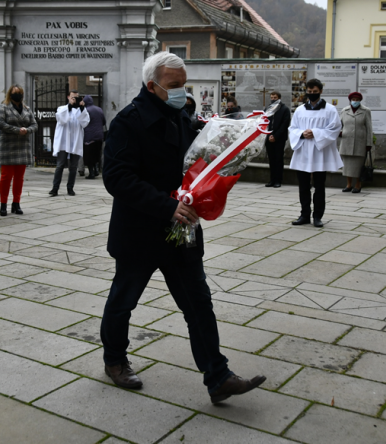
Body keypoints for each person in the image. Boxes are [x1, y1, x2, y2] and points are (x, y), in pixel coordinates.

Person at [101, 51, 266, 404]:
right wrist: (166, 206)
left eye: (183, 84)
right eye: (174, 86)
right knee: (123, 301)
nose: (181, 91)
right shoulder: (128, 122)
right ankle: (114, 360)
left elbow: (198, 158)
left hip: (182, 232)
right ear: (152, 86)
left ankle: (218, 376)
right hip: (141, 231)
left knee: (198, 304)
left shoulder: (181, 115)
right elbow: (116, 178)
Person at [288, 78, 343, 228]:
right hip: (304, 151)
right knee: (303, 186)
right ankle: (304, 214)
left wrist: (315, 133)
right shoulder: (300, 110)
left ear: (320, 91)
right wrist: (301, 133)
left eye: (315, 92)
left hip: (320, 152)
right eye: (309, 92)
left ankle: (317, 216)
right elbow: (292, 128)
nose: (311, 94)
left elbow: (335, 129)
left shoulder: (330, 110)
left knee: (319, 185)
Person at [0, 85, 37, 215]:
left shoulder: (27, 108)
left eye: (19, 93)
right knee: (6, 177)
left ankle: (16, 203)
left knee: (19, 178)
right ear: (10, 94)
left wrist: (27, 130)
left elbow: (34, 124)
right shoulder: (3, 107)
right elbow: (0, 124)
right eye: (15, 93)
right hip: (8, 146)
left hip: (22, 146)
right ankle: (3, 204)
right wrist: (17, 130)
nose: (18, 95)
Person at [50, 90, 89, 196]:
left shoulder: (82, 110)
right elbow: (61, 119)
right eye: (73, 97)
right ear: (68, 97)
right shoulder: (62, 108)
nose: (75, 99)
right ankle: (55, 188)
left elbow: (85, 123)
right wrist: (69, 106)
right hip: (63, 142)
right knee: (60, 165)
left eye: (77, 97)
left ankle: (70, 188)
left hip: (75, 142)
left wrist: (82, 108)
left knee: (73, 166)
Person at [338, 92, 373, 194]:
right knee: (347, 165)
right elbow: (338, 125)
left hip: (360, 142)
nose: (355, 101)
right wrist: (339, 133)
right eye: (353, 99)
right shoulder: (344, 111)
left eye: (357, 99)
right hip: (346, 141)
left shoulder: (366, 111)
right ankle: (348, 184)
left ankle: (358, 184)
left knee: (358, 165)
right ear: (350, 100)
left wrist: (369, 143)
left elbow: (369, 128)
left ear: (360, 100)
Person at [264, 91, 291, 188]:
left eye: (275, 97)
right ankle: (272, 180)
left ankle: (278, 180)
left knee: (278, 159)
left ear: (279, 98)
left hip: (279, 138)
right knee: (271, 159)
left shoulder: (284, 109)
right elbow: (264, 122)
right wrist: (269, 135)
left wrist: (275, 136)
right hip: (268, 137)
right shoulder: (268, 109)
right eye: (271, 97)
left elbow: (284, 124)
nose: (273, 99)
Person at [82, 95, 105, 180]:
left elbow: (83, 123)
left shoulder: (86, 110)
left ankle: (91, 173)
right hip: (99, 136)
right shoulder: (99, 109)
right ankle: (96, 170)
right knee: (96, 154)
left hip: (89, 137)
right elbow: (104, 122)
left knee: (88, 155)